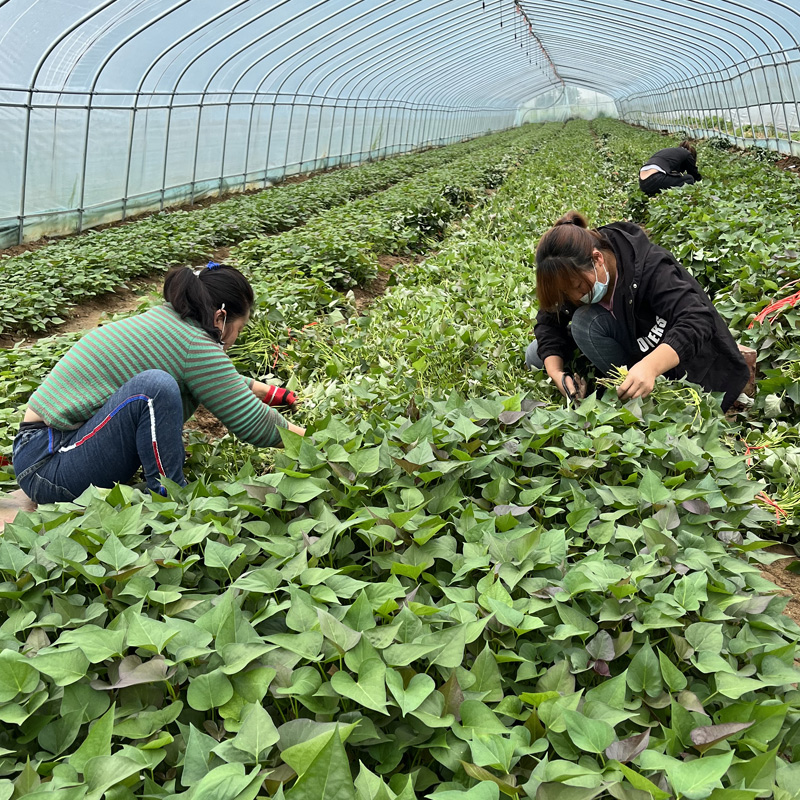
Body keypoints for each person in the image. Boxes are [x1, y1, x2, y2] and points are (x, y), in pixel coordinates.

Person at [12, 262, 305, 504]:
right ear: (220, 318)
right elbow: (254, 423)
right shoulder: (194, 344)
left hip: (41, 451)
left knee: (158, 383)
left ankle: (166, 491)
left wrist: (267, 391)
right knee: (155, 387)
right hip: (49, 467)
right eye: (239, 329)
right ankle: (171, 498)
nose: (235, 338)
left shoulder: (172, 323)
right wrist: (315, 441)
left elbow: (214, 380)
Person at [525, 211, 749, 411]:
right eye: (567, 293)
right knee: (536, 354)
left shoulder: (649, 267)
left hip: (659, 350)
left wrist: (650, 367)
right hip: (624, 336)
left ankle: (632, 393)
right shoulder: (571, 272)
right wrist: (557, 374)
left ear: (597, 259)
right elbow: (548, 321)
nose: (574, 297)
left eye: (577, 287)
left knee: (586, 322)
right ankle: (617, 377)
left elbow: (698, 320)